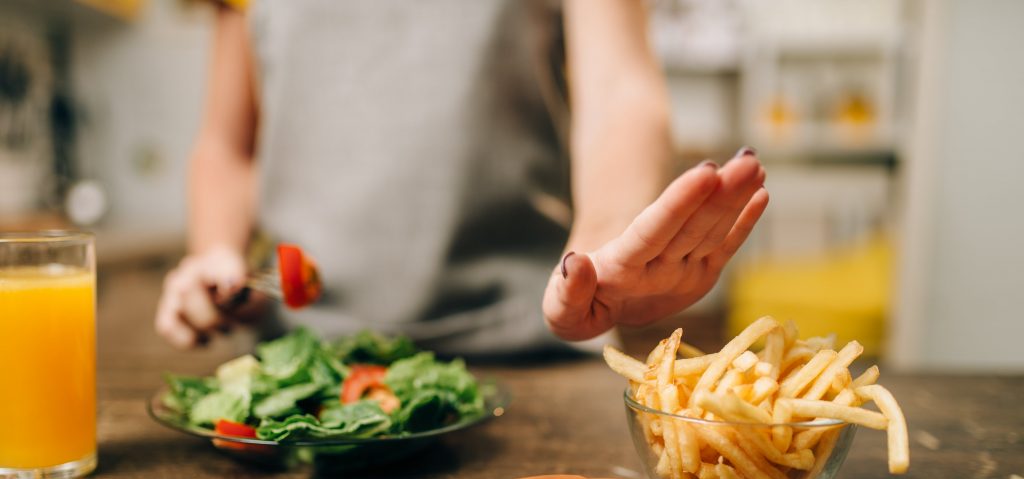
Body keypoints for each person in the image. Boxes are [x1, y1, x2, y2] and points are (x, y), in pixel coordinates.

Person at [155, 0, 768, 356]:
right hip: (304, 359)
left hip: (528, 351)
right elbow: (228, 144)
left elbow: (617, 90)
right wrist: (214, 252)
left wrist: (604, 250)